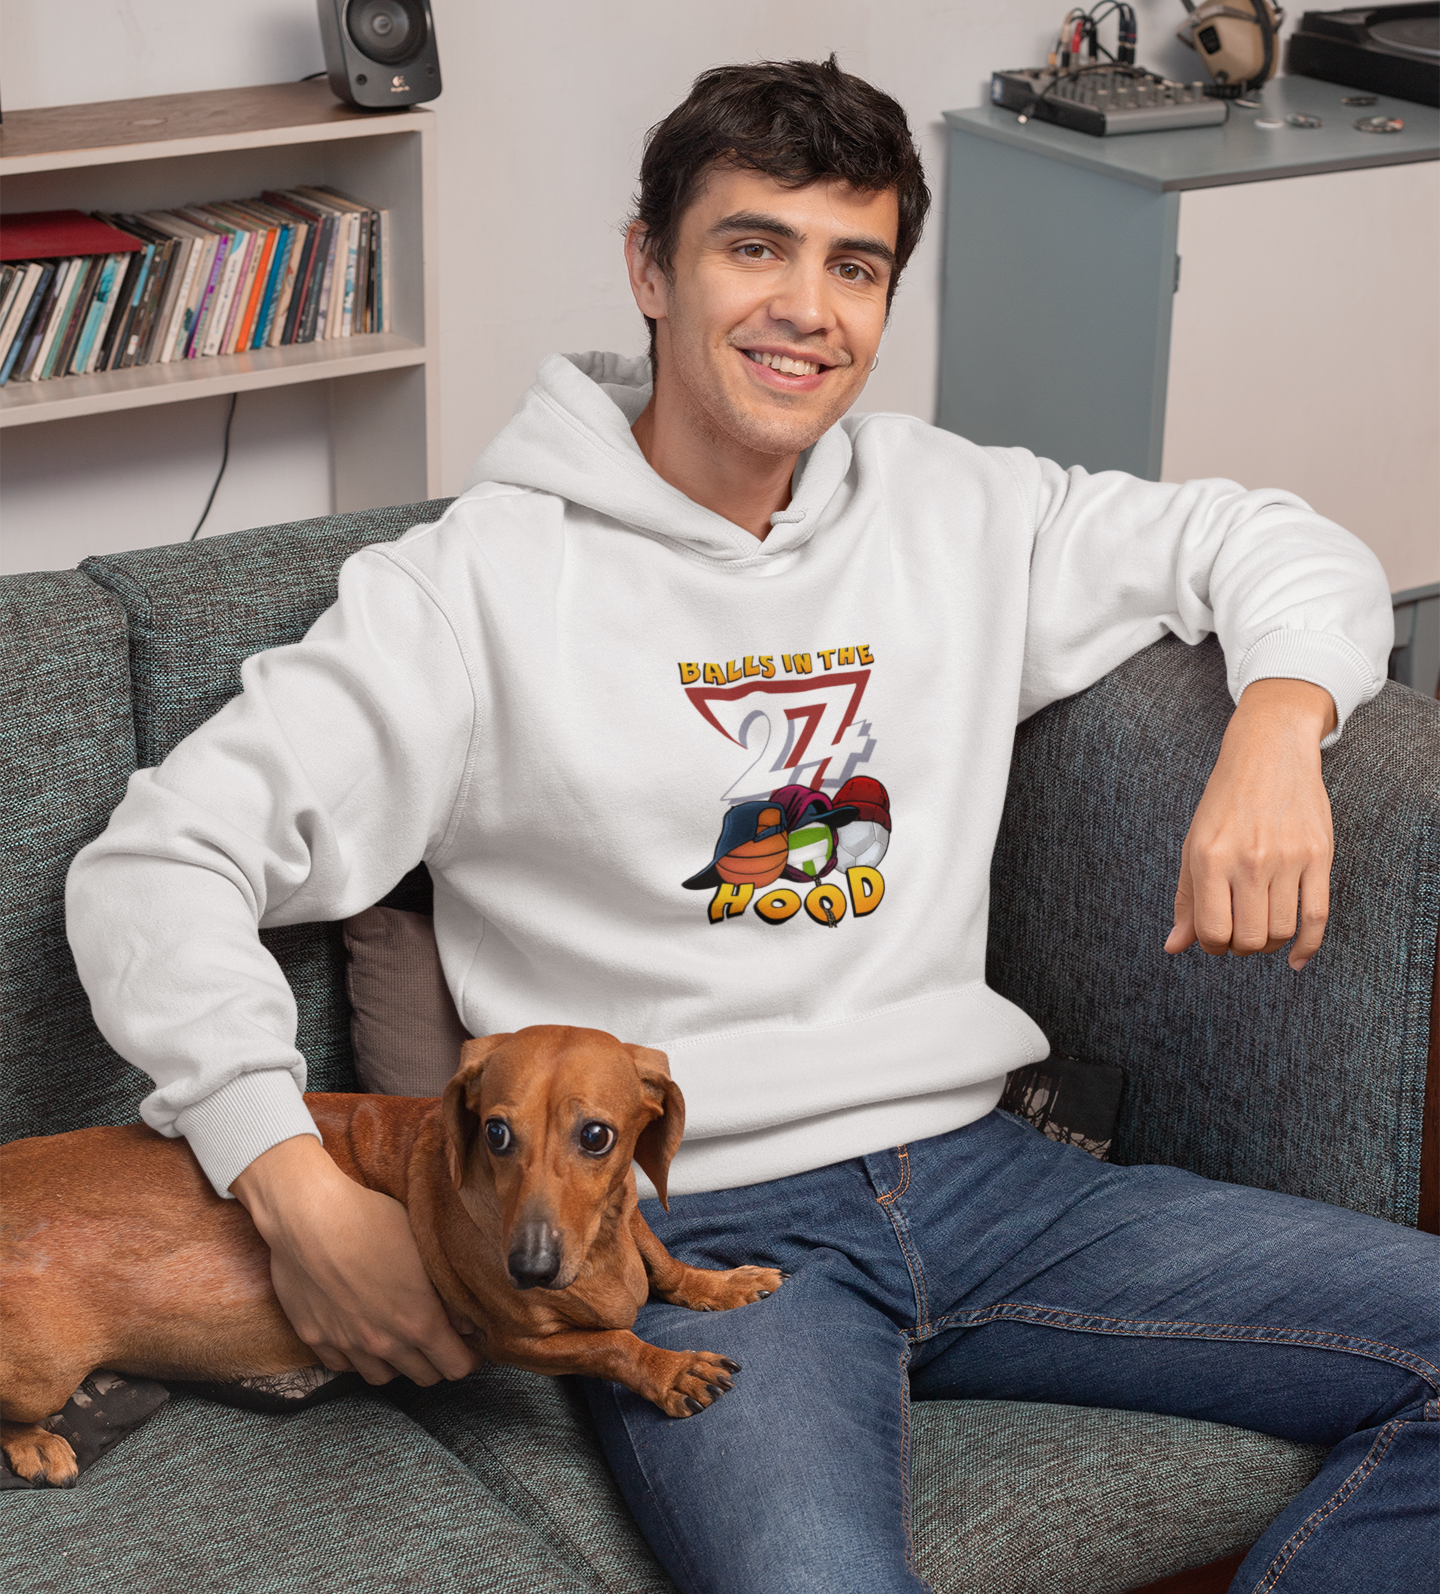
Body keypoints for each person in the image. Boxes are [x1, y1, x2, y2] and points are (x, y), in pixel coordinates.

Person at [67, 55, 1433, 1594]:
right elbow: (157, 860)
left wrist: (1279, 725)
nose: (807, 307)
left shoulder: (960, 508)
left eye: (855, 265)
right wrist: (287, 1174)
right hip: (694, 1231)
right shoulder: (473, 592)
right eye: (752, 246)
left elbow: (1268, 537)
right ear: (649, 265)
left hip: (993, 1175)